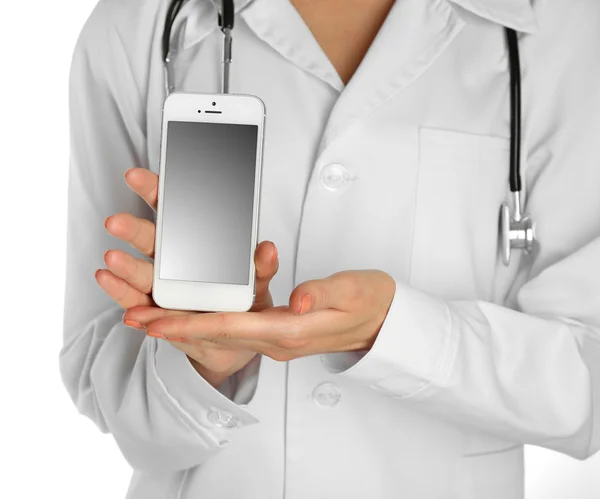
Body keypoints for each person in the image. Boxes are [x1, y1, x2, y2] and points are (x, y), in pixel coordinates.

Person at [60, 0, 600, 498]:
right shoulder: (141, 24)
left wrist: (398, 332)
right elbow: (108, 392)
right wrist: (204, 370)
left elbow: (588, 387)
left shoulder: (563, 30)